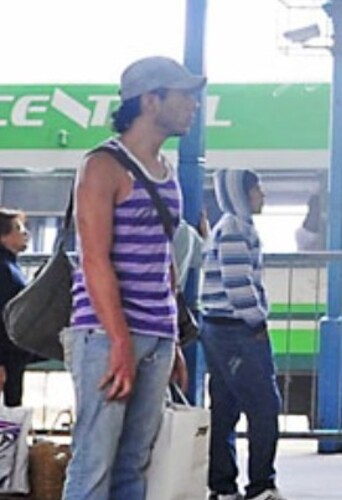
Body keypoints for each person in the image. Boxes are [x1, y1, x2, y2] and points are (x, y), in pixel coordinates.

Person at [62, 56, 203, 499]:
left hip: (155, 335)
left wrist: (172, 336)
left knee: (134, 465)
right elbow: (94, 259)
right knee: (94, 464)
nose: (194, 106)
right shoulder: (102, 165)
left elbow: (165, 256)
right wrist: (119, 340)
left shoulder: (167, 169)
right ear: (150, 100)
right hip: (106, 336)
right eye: (184, 95)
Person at [200, 169, 285, 500]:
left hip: (217, 328)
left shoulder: (229, 227)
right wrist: (258, 322)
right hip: (237, 330)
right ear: (241, 195)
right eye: (257, 190)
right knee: (264, 406)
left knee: (225, 408)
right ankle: (261, 485)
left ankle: (222, 487)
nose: (262, 196)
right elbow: (238, 284)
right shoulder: (236, 229)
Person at [0, 208, 37, 407]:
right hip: (6, 353)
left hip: (13, 352)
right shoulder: (4, 268)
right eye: (18, 228)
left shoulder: (11, 266)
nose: (25, 233)